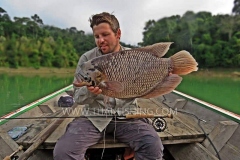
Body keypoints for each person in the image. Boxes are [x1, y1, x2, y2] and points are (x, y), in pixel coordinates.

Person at [53, 12, 164, 160]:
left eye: (105, 34)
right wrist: (90, 91)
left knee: (153, 145)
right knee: (63, 152)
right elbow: (78, 98)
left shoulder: (134, 58)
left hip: (128, 116)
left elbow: (145, 88)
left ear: (118, 33)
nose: (101, 40)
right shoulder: (87, 59)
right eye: (97, 36)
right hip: (94, 117)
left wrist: (157, 80)